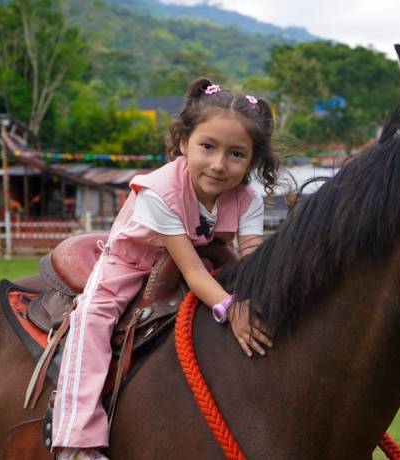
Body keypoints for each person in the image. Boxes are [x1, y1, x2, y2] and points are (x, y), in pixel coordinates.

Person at [53, 78, 280, 460]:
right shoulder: (160, 191)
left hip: (209, 260)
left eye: (237, 154)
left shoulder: (248, 198)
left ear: (253, 161)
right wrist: (229, 307)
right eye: (207, 147)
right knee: (92, 318)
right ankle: (76, 439)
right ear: (182, 143)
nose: (220, 164)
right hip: (131, 262)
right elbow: (190, 271)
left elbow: (253, 255)